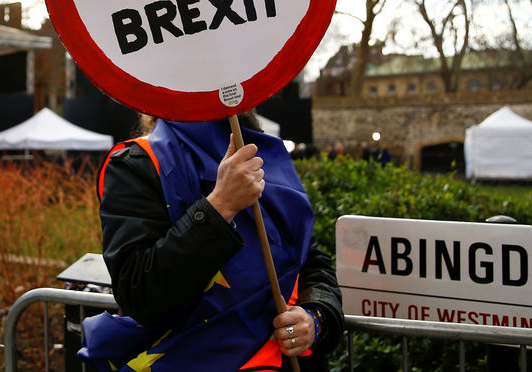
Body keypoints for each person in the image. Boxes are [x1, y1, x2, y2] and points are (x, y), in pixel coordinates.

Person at [80, 111, 344, 371]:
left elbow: (311, 262)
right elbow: (139, 293)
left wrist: (315, 317)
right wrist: (220, 206)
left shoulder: (260, 156)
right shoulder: (136, 164)